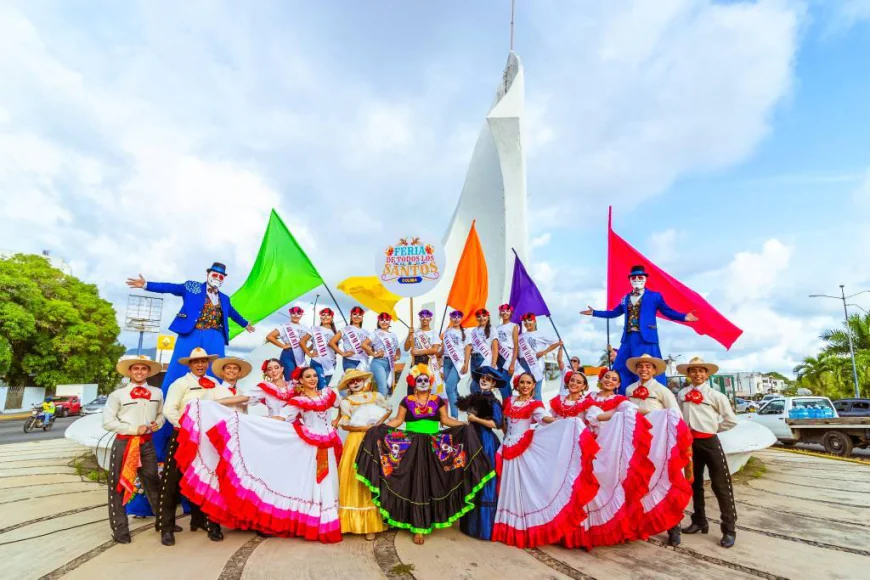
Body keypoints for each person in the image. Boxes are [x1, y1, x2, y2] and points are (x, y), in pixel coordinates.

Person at [124, 263, 254, 516]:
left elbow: (232, 313)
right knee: (176, 378)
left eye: (221, 276)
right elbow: (171, 288)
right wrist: (147, 285)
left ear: (224, 279)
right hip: (191, 332)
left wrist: (245, 323)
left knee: (216, 378)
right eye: (214, 275)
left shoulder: (224, 298)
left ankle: (206, 499)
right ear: (207, 275)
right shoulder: (193, 287)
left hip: (215, 335)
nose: (217, 278)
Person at [173, 367, 344, 542]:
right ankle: (313, 520)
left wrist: (337, 421)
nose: (313, 379)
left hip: (323, 441)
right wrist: (254, 422)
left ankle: (328, 518)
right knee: (307, 480)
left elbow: (342, 405)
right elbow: (281, 417)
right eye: (308, 376)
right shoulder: (296, 400)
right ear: (300, 380)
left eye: (314, 375)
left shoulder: (327, 394)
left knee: (327, 478)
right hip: (296, 439)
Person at [355, 364, 493, 546]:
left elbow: (445, 420)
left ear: (430, 382)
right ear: (413, 382)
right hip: (411, 445)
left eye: (425, 380)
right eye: (419, 380)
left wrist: (462, 425)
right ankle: (417, 527)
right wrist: (380, 429)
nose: (422, 382)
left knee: (432, 482)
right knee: (414, 483)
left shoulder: (438, 400)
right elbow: (398, 421)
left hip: (434, 445)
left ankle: (425, 521)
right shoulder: (406, 400)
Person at [491, 372, 600, 549]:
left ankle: (521, 529)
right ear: (517, 384)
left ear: (534, 386)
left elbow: (544, 418)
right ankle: (506, 527)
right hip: (507, 446)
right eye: (522, 382)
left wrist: (563, 423)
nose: (525, 385)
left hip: (521, 447)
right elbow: (503, 422)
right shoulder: (509, 401)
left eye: (529, 383)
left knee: (523, 489)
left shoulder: (535, 404)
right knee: (507, 487)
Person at [554, 370, 654, 550]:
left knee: (602, 486)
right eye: (607, 377)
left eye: (614, 379)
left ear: (618, 385)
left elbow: (635, 411)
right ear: (600, 379)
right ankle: (579, 530)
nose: (609, 380)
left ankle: (601, 529)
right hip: (584, 443)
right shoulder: (590, 396)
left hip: (607, 446)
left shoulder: (620, 401)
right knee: (581, 486)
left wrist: (655, 414)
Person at [157, 347, 236, 546]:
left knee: (209, 479)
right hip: (183, 436)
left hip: (207, 438)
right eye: (196, 362)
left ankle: (207, 523)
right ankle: (166, 528)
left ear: (208, 363)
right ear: (190, 364)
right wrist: (186, 427)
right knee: (171, 481)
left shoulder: (215, 384)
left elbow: (222, 406)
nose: (200, 365)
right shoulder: (180, 383)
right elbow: (169, 409)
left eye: (203, 361)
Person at [580, 265, 697, 393]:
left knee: (651, 367)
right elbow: (614, 313)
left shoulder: (654, 296)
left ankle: (657, 395)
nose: (637, 279)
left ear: (645, 279)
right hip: (628, 338)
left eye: (640, 277)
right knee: (620, 367)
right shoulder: (625, 298)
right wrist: (594, 313)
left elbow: (667, 311)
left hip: (647, 338)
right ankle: (621, 395)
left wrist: (684, 317)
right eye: (634, 277)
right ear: (630, 280)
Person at [625, 353, 692, 547]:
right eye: (641, 366)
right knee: (638, 483)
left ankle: (674, 526)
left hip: (659, 442)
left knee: (665, 481)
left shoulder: (663, 391)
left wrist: (680, 441)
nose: (644, 369)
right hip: (636, 441)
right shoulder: (629, 389)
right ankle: (639, 524)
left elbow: (676, 416)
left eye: (648, 367)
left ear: (654, 370)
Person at [677, 356, 738, 549]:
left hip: (709, 441)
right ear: (688, 374)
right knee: (694, 483)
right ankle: (699, 520)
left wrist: (712, 429)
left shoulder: (716, 395)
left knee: (721, 484)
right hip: (689, 443)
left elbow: (731, 420)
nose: (697, 374)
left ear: (707, 374)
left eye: (701, 371)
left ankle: (729, 528)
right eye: (693, 371)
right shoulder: (682, 394)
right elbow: (678, 416)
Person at [103, 356, 165, 544]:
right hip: (125, 444)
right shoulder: (117, 395)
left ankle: (163, 522)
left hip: (147, 444)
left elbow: (161, 414)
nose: (139, 372)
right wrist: (132, 429)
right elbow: (108, 422)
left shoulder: (157, 392)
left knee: (153, 482)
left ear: (148, 372)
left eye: (143, 369)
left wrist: (158, 424)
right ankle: (120, 529)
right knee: (118, 486)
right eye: (136, 368)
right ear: (130, 372)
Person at [336, 369, 391, 539]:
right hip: (356, 441)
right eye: (352, 382)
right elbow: (344, 424)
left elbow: (388, 411)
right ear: (348, 386)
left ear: (363, 381)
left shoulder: (376, 396)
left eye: (358, 379)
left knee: (375, 476)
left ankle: (372, 524)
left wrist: (377, 424)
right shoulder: (346, 402)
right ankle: (352, 522)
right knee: (355, 476)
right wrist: (363, 428)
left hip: (376, 439)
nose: (356, 383)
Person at [457, 366, 506, 541]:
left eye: (489, 379)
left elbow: (497, 424)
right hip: (472, 439)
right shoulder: (474, 398)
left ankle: (485, 528)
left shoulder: (493, 402)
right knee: (471, 476)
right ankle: (471, 525)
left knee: (485, 478)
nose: (484, 380)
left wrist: (476, 419)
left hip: (485, 442)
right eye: (482, 377)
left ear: (494, 383)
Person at [515, 313, 562, 401]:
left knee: (536, 392)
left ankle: (539, 412)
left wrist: (544, 352)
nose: (527, 323)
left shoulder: (541, 333)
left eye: (529, 320)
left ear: (534, 321)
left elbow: (557, 342)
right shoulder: (520, 336)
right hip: (522, 364)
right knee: (524, 391)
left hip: (535, 363)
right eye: (524, 321)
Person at [404, 309, 443, 396]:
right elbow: (406, 348)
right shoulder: (415, 332)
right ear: (420, 318)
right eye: (422, 316)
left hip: (428, 362)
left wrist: (418, 352)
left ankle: (427, 407)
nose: (425, 318)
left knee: (427, 385)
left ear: (430, 319)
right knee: (412, 385)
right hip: (415, 361)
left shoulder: (434, 333)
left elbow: (434, 350)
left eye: (427, 316)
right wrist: (409, 334)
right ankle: (411, 406)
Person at [266, 306, 310, 381]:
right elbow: (269, 336)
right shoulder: (284, 326)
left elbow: (313, 341)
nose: (296, 315)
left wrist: (308, 350)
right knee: (290, 379)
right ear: (290, 314)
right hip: (288, 354)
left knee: (301, 379)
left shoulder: (306, 328)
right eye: (293, 313)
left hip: (301, 356)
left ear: (302, 315)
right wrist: (283, 345)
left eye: (298, 313)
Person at [365, 312, 401, 397]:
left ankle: (379, 405)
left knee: (384, 386)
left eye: (387, 320)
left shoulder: (393, 335)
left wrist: (397, 356)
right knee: (383, 386)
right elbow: (364, 344)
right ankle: (383, 407)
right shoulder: (375, 333)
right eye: (382, 320)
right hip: (378, 362)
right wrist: (374, 354)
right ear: (378, 322)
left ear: (389, 322)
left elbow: (398, 349)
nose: (384, 322)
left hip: (389, 363)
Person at [463, 308, 498, 394]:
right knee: (475, 383)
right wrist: (466, 363)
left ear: (488, 317)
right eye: (479, 316)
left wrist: (493, 363)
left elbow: (495, 348)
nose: (481, 318)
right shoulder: (474, 331)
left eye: (484, 316)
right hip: (474, 358)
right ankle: (477, 405)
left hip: (484, 358)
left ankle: (482, 404)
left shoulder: (492, 329)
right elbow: (469, 347)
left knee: (482, 384)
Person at [301, 308, 338, 390]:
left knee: (325, 386)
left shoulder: (335, 332)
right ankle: (322, 402)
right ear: (320, 317)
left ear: (332, 318)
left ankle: (320, 401)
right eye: (323, 315)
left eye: (328, 315)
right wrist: (309, 353)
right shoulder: (314, 329)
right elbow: (302, 342)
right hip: (318, 361)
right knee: (322, 386)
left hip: (331, 363)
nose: (325, 317)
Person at [441, 310, 468, 418]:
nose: (456, 319)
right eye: (454, 317)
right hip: (446, 361)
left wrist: (466, 364)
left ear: (461, 319)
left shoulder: (465, 332)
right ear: (450, 318)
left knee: (449, 388)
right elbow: (443, 349)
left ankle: (453, 417)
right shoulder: (447, 331)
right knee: (453, 389)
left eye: (458, 317)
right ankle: (462, 407)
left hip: (458, 362)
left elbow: (468, 348)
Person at [330, 306, 370, 371]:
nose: (357, 316)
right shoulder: (345, 329)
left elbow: (370, 350)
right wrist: (342, 353)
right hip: (349, 360)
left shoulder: (366, 332)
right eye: (354, 314)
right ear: (351, 317)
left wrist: (369, 351)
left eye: (359, 315)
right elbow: (331, 343)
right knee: (351, 379)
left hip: (363, 361)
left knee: (361, 381)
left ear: (362, 318)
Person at [494, 304, 519, 400]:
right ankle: (510, 407)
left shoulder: (514, 326)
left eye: (507, 311)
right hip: (499, 358)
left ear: (510, 313)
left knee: (502, 384)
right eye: (503, 311)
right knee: (504, 385)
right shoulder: (497, 328)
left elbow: (516, 345)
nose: (505, 313)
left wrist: (512, 363)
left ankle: (506, 408)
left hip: (508, 357)